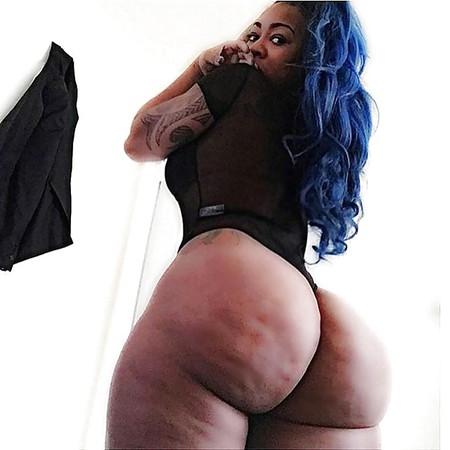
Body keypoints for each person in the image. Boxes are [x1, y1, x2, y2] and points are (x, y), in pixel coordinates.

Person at [106, 2, 391, 448]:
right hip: (330, 333)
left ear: (309, 61)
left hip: (232, 298)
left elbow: (140, 141)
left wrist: (199, 67)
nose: (255, 47)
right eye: (253, 34)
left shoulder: (237, 82)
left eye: (278, 39)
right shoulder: (316, 131)